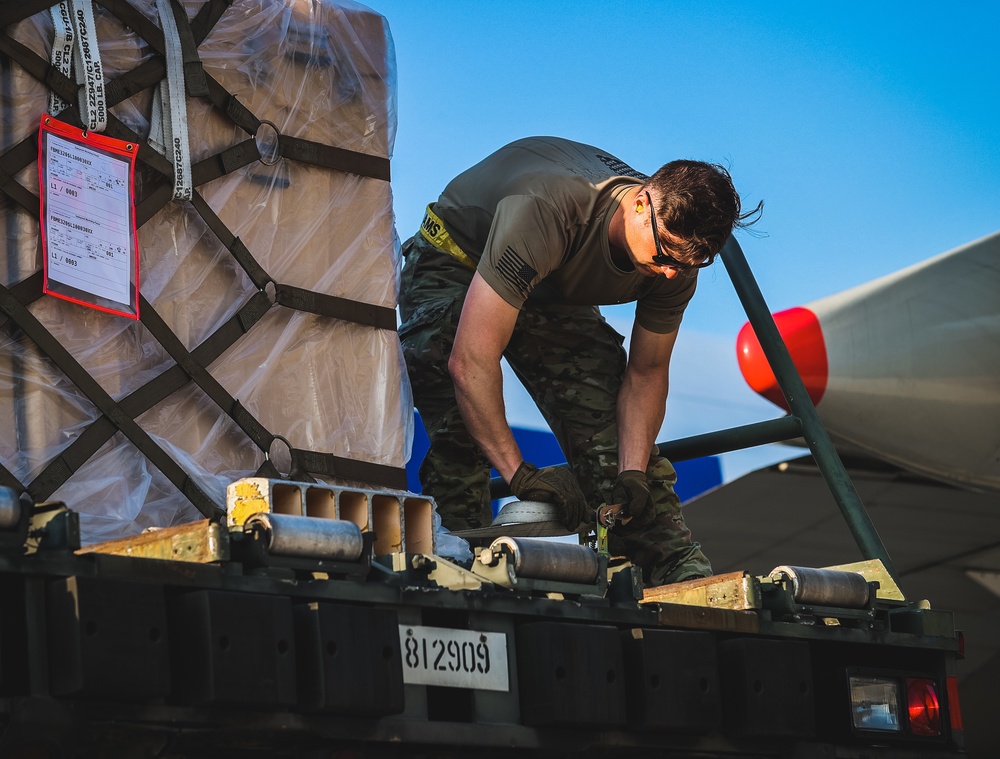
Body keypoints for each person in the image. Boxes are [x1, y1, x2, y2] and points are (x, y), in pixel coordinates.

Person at [399, 136, 759, 587]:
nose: (671, 272)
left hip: (550, 284)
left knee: (616, 446)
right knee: (459, 434)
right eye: (665, 253)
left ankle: (675, 572)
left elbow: (647, 373)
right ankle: (458, 569)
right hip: (456, 261)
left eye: (689, 263)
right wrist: (519, 475)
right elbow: (470, 360)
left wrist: (630, 472)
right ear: (641, 202)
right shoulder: (549, 209)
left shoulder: (677, 261)